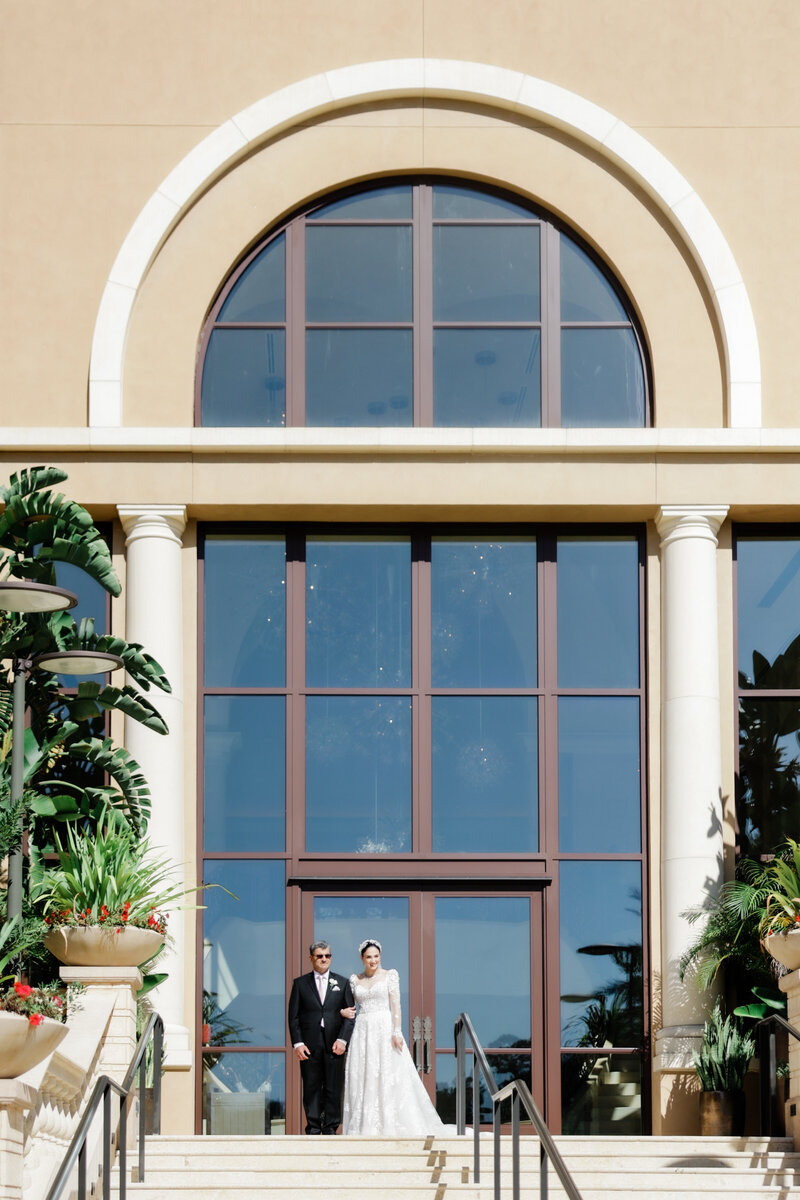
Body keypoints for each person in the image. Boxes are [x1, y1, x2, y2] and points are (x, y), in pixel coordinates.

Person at [340, 938, 450, 1135]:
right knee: (364, 1073)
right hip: (363, 1030)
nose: (373, 960)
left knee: (387, 1072)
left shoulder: (390, 975)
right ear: (362, 958)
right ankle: (365, 1125)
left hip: (384, 1026)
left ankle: (388, 1123)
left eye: (376, 956)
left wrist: (396, 1031)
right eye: (369, 957)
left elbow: (395, 1004)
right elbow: (349, 1006)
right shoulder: (355, 980)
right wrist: (342, 1013)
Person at [288, 940, 355, 1134]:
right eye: (320, 956)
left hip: (335, 1044)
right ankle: (314, 1128)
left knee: (334, 1088)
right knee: (311, 1087)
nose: (324, 959)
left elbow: (350, 1016)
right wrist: (298, 1043)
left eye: (327, 955)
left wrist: (343, 1040)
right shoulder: (300, 984)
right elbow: (293, 1017)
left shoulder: (342, 983)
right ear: (311, 958)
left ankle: (331, 1128)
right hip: (309, 1045)